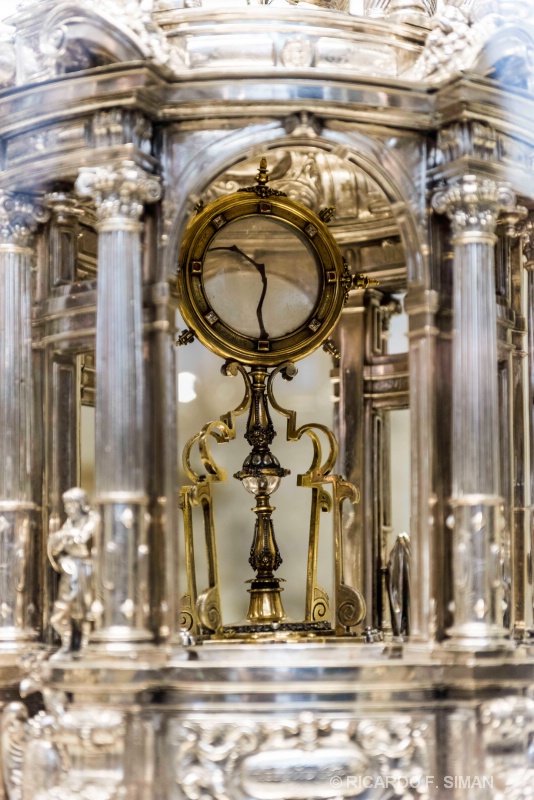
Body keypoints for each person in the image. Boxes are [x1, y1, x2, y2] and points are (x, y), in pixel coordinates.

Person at [48, 488, 99, 655]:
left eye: (70, 504)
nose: (66, 509)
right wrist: (64, 538)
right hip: (70, 570)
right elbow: (56, 548)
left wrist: (64, 537)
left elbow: (83, 542)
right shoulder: (69, 523)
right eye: (65, 505)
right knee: (61, 612)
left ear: (80, 505)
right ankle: (66, 643)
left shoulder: (92, 519)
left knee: (86, 610)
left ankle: (85, 644)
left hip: (86, 570)